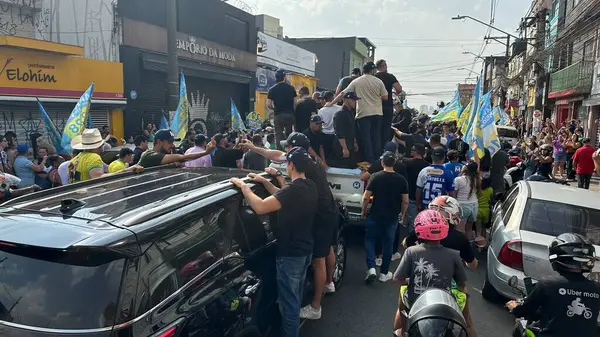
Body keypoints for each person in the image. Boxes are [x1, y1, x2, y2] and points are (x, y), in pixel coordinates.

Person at [239, 133, 339, 320]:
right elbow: (280, 168)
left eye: (288, 149)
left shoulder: (302, 177)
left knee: (318, 259)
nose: (284, 153)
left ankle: (316, 305)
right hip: (328, 212)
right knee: (326, 250)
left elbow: (283, 195)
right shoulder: (309, 164)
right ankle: (329, 283)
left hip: (321, 217)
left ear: (293, 156)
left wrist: (246, 186)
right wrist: (267, 170)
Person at [230, 147, 318, 337]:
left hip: (290, 255)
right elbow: (281, 195)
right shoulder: (309, 185)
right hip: (305, 251)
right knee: (295, 296)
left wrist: (244, 187)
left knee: (289, 307)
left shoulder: (293, 190)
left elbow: (261, 207)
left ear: (291, 165)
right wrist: (263, 181)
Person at [402, 195, 478, 337]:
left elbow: (406, 243)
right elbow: (472, 265)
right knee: (467, 324)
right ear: (453, 214)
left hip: (418, 289)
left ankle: (400, 332)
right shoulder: (459, 239)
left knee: (402, 309)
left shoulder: (421, 232)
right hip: (450, 291)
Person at [506, 233, 600, 337]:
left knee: (522, 327)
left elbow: (523, 311)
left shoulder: (547, 284)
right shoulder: (596, 288)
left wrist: (514, 307)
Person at [393, 209, 468, 336]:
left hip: (415, 304)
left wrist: (410, 280)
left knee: (402, 296)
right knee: (468, 324)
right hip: (444, 306)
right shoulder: (454, 255)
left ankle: (404, 330)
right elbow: (461, 285)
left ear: (419, 229)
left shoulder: (411, 251)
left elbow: (397, 279)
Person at [361, 151, 409, 284]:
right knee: (388, 243)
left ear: (382, 163)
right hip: (392, 216)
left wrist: (364, 210)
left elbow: (366, 196)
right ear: (394, 163)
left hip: (375, 213)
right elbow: (405, 200)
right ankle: (384, 272)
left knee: (370, 239)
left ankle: (371, 267)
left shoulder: (375, 176)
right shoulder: (401, 179)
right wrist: (403, 213)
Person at [327, 62, 388, 163]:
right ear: (373, 70)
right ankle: (378, 160)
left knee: (366, 139)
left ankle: (369, 161)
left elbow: (343, 93)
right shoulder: (379, 81)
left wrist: (332, 103)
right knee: (376, 137)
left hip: (363, 113)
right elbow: (385, 97)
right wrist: (374, 98)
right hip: (377, 113)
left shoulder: (357, 81)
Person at [69, 129, 143, 183]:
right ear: (96, 146)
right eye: (101, 145)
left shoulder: (74, 160)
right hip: (90, 198)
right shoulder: (93, 157)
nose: (102, 148)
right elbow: (98, 178)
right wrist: (127, 170)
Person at [138, 129, 215, 168]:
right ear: (159, 142)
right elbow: (182, 158)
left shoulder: (164, 155)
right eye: (170, 142)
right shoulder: (150, 156)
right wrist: (205, 152)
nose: (172, 145)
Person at [415, 147, 456, 212]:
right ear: (444, 158)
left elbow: (418, 190)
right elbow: (451, 193)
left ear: (432, 157)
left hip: (425, 207)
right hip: (440, 208)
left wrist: (417, 204)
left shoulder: (423, 171)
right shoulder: (448, 173)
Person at [375, 59, 403, 147]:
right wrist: (394, 93)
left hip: (375, 105)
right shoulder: (390, 76)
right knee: (386, 129)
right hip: (387, 105)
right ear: (384, 66)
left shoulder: (374, 77)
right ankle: (384, 149)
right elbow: (399, 89)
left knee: (376, 128)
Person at [267, 69, 298, 150]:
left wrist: (275, 109)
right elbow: (295, 104)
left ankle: (280, 153)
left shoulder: (272, 89)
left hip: (278, 115)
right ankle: (290, 150)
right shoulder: (291, 88)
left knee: (278, 135)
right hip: (289, 115)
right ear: (284, 77)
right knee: (289, 134)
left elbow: (269, 104)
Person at [331, 92, 361, 168]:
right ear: (346, 100)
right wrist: (344, 148)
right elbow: (339, 132)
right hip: (341, 147)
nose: (355, 102)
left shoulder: (350, 113)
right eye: (353, 100)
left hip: (350, 145)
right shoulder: (340, 113)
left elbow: (352, 129)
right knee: (342, 166)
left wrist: (354, 142)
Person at [402, 144, 430, 224]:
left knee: (412, 222)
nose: (411, 150)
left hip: (410, 195)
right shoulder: (427, 166)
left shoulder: (407, 163)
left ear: (417, 152)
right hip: (423, 197)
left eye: (413, 149)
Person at [454, 161, 481, 237]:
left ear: (465, 169)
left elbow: (454, 194)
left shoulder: (458, 179)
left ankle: (460, 247)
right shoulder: (478, 179)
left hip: (462, 205)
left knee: (460, 229)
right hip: (474, 205)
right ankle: (470, 245)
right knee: (469, 229)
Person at [317, 91, 338, 158]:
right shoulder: (339, 108)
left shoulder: (321, 111)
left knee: (326, 155)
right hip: (336, 136)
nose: (321, 101)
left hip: (325, 135)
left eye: (322, 99)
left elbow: (319, 125)